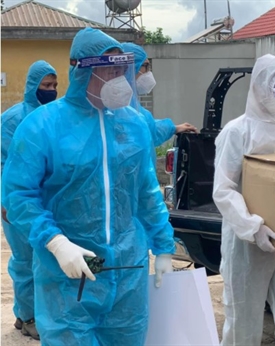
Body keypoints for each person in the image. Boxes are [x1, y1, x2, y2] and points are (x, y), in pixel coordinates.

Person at [1, 27, 175, 345]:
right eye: (108, 69)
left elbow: (147, 193)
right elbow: (19, 195)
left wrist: (164, 247)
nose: (117, 77)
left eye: (121, 69)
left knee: (128, 335)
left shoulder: (133, 125)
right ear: (81, 69)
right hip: (69, 270)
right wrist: (56, 242)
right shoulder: (42, 126)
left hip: (126, 267)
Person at [213, 54, 275, 345]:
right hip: (246, 244)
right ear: (259, 87)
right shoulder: (236, 132)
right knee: (243, 318)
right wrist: (252, 226)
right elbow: (223, 189)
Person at [1, 59, 57, 340]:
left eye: (55, 85)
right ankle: (29, 316)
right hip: (16, 203)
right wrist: (5, 202)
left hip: (43, 201)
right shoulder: (13, 119)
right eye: (46, 85)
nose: (51, 90)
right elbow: (4, 164)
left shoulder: (53, 116)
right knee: (25, 261)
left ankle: (24, 312)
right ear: (33, 86)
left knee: (42, 259)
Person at [121, 42, 198, 147]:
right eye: (146, 66)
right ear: (130, 67)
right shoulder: (120, 103)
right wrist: (172, 128)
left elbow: (148, 124)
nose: (149, 72)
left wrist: (173, 128)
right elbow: (146, 129)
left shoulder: (128, 100)